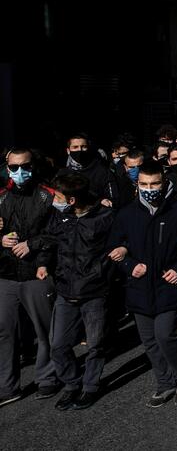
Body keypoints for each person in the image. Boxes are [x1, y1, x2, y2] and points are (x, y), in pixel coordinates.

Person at [107, 161, 177, 408]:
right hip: (139, 288)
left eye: (154, 184)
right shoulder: (126, 214)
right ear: (136, 185)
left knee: (166, 335)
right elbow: (114, 249)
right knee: (149, 341)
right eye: (144, 184)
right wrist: (129, 264)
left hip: (169, 285)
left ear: (164, 183)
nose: (149, 189)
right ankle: (164, 383)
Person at [41, 172, 115, 411]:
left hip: (94, 292)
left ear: (72, 200)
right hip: (65, 291)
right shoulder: (59, 216)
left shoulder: (104, 217)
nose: (55, 200)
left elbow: (118, 246)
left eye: (59, 196)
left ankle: (90, 387)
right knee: (58, 345)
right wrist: (42, 262)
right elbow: (49, 239)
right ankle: (72, 384)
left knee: (95, 344)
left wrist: (104, 275)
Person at [0, 148, 58, 406]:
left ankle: (47, 378)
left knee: (44, 329)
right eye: (14, 167)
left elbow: (60, 233)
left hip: (37, 272)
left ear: (33, 166)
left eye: (24, 166)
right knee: (4, 331)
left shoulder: (49, 196)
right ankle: (7, 386)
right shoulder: (0, 197)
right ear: (6, 167)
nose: (19, 172)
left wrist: (32, 244)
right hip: (6, 274)